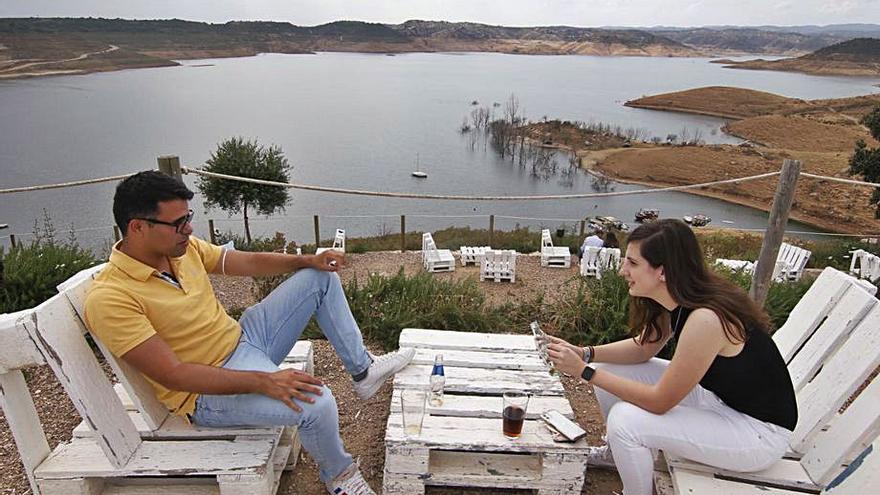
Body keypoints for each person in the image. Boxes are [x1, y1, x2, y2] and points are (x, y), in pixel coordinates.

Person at [84, 171, 414, 495]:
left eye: (189, 217)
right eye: (178, 223)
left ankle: (363, 372)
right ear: (138, 227)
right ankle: (340, 477)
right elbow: (175, 375)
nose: (189, 228)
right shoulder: (111, 298)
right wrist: (264, 380)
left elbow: (249, 262)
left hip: (245, 339)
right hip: (205, 393)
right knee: (318, 404)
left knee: (320, 279)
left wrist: (309, 260)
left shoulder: (180, 250)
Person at [547, 219, 797, 495]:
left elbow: (660, 402)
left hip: (756, 434)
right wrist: (586, 354)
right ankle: (614, 455)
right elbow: (643, 348)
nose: (622, 271)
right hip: (719, 401)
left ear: (662, 272)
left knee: (625, 421)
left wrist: (585, 371)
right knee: (610, 368)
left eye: (632, 263)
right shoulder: (683, 298)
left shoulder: (706, 319)